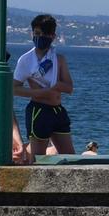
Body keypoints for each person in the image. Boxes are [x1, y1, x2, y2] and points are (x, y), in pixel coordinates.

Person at [13, 14, 76, 159]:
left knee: (70, 157)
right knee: (37, 158)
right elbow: (14, 88)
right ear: (32, 34)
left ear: (52, 36)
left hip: (57, 110)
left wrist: (55, 86)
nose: (40, 37)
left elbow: (69, 87)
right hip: (39, 110)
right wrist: (40, 92)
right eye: (37, 33)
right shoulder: (26, 60)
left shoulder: (58, 59)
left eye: (45, 34)